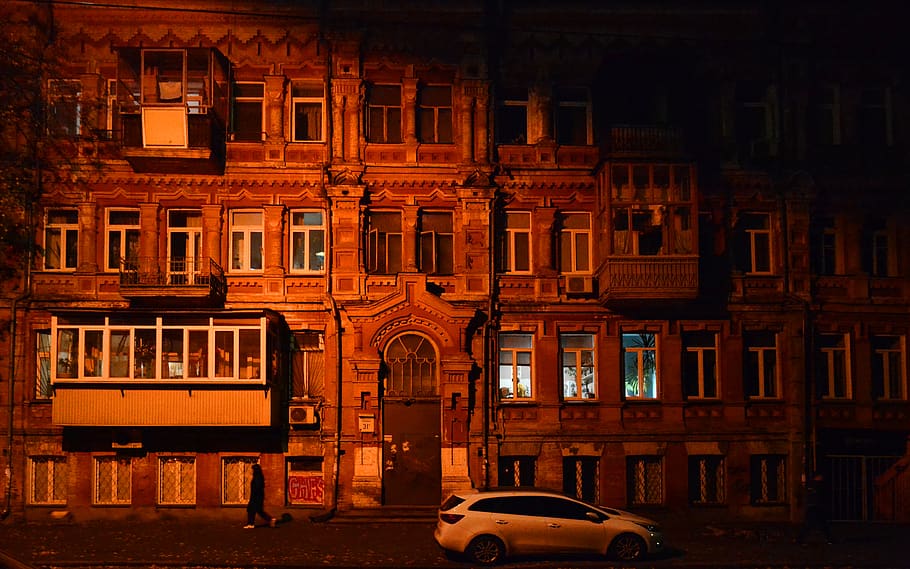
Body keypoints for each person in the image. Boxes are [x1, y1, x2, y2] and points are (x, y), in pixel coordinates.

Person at [798, 472, 832, 544]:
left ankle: (800, 539)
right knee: (820, 523)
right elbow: (821, 496)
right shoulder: (818, 485)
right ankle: (829, 538)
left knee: (816, 524)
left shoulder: (810, 485)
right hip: (816, 506)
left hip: (813, 506)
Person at [245, 464, 277, 529]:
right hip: (258, 496)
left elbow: (257, 487)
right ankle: (270, 519)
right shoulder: (259, 476)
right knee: (258, 510)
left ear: (255, 470)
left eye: (253, 469)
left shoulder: (257, 477)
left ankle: (251, 524)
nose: (252, 471)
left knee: (251, 509)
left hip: (256, 497)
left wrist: (253, 497)